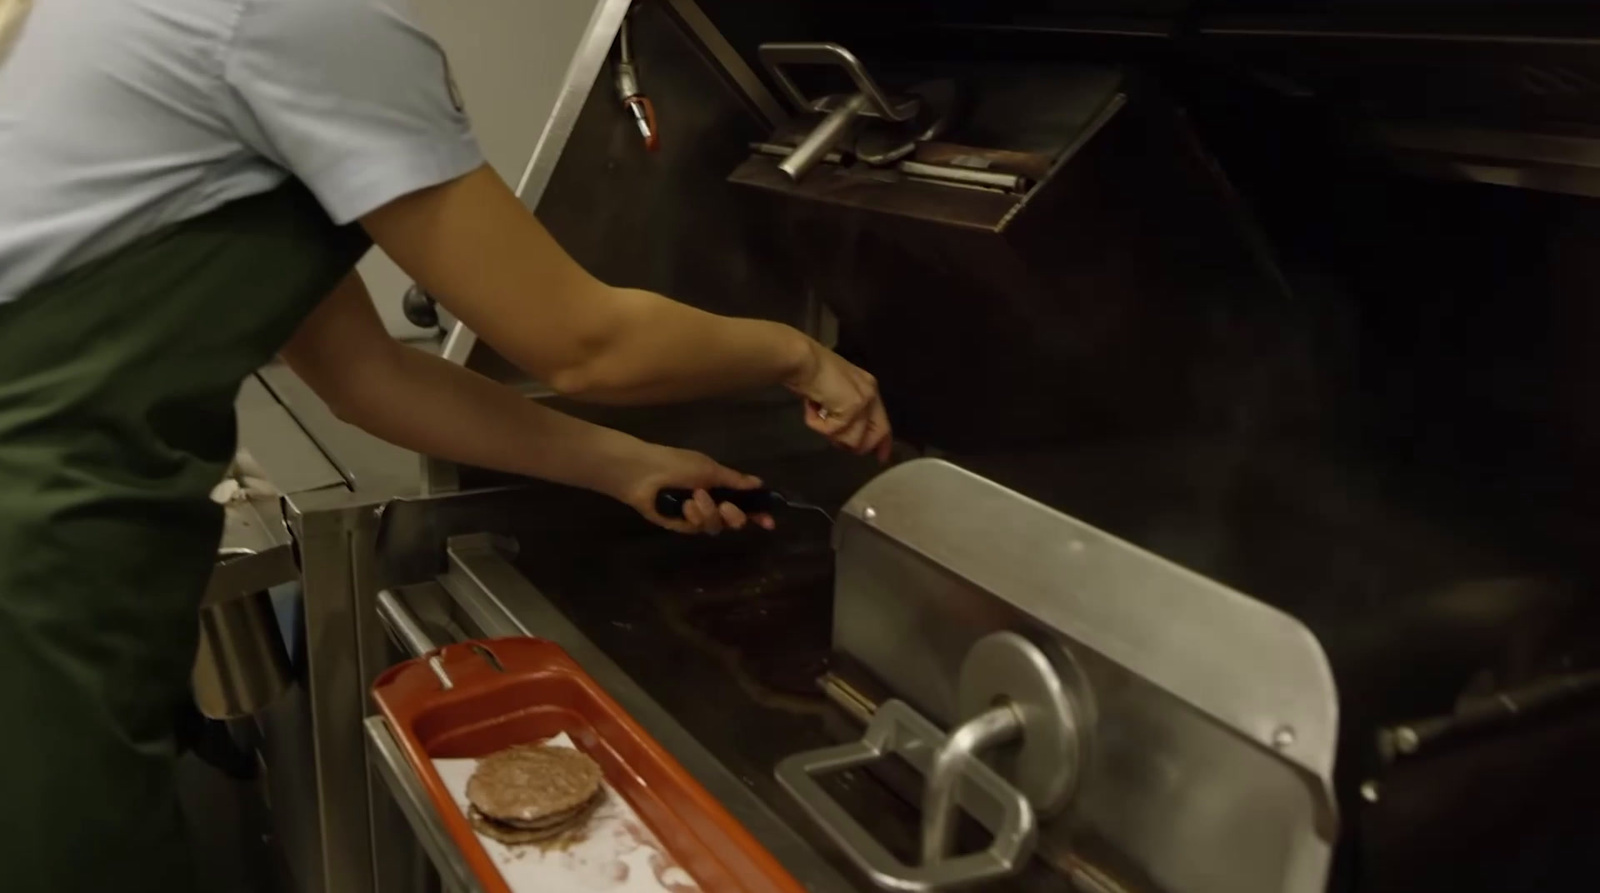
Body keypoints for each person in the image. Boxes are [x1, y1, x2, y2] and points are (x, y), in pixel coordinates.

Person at [0, 0, 891, 890]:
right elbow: (588, 344)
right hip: (35, 576)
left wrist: (625, 464)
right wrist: (800, 354)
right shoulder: (292, 19)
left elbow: (365, 375)